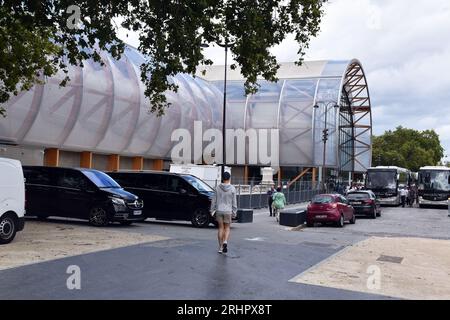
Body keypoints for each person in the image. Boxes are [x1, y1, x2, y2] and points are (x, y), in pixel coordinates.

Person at [210, 172, 237, 254]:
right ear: (229, 178)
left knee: (220, 228)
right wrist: (234, 212)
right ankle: (225, 241)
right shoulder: (232, 188)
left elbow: (213, 200)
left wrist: (212, 210)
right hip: (228, 211)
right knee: (227, 228)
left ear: (222, 178)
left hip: (219, 210)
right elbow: (234, 201)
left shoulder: (217, 188)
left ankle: (220, 247)